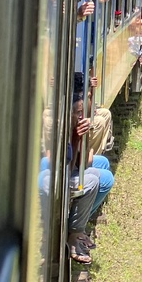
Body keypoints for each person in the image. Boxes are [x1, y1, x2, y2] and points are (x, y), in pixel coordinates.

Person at [38, 88, 101, 264]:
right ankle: (66, 234)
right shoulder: (59, 131)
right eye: (78, 113)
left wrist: (83, 139)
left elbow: (84, 163)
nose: (82, 117)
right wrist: (74, 138)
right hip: (53, 179)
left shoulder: (76, 126)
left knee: (94, 173)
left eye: (82, 112)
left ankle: (75, 232)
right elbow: (64, 168)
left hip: (67, 175)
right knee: (92, 180)